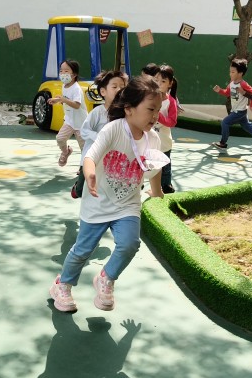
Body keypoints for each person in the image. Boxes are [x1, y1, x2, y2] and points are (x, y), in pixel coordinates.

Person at [50, 74, 167, 313]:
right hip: (98, 201)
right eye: (150, 109)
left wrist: (158, 193)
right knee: (83, 250)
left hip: (128, 205)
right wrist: (90, 174)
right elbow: (91, 156)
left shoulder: (153, 139)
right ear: (129, 109)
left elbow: (155, 168)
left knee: (130, 244)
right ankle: (62, 285)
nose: (155, 116)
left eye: (157, 110)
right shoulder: (113, 129)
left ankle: (106, 278)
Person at [72, 70, 127, 199]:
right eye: (114, 87)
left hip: (112, 157)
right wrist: (99, 138)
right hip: (91, 156)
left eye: (122, 87)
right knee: (82, 189)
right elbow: (84, 131)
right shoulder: (98, 112)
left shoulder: (125, 113)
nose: (119, 90)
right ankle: (77, 188)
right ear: (103, 92)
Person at [48, 60, 87, 167]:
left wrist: (63, 99)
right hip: (69, 121)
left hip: (81, 123)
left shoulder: (76, 89)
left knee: (84, 148)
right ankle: (66, 152)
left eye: (66, 71)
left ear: (74, 74)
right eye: (61, 71)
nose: (62, 73)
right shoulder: (64, 86)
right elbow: (66, 99)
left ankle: (83, 168)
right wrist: (57, 100)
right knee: (60, 139)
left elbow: (76, 105)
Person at [213, 58, 252, 149]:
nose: (230, 74)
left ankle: (223, 143)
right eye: (230, 72)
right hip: (237, 110)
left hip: (239, 111)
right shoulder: (231, 83)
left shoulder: (243, 84)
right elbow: (227, 93)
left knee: (225, 123)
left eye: (233, 72)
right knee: (247, 126)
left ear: (240, 73)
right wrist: (220, 90)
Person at [155, 64, 180, 193]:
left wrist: (158, 116)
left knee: (165, 165)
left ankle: (166, 185)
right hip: (148, 138)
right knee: (145, 162)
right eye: (156, 80)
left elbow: (172, 122)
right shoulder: (148, 97)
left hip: (164, 140)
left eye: (163, 81)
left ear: (170, 84)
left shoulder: (171, 102)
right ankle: (141, 182)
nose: (159, 83)